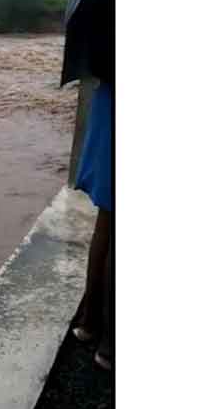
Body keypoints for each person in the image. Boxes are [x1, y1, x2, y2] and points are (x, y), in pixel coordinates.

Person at [70, 82, 112, 371]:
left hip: (109, 103)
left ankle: (90, 322)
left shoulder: (105, 42)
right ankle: (111, 343)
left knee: (106, 222)